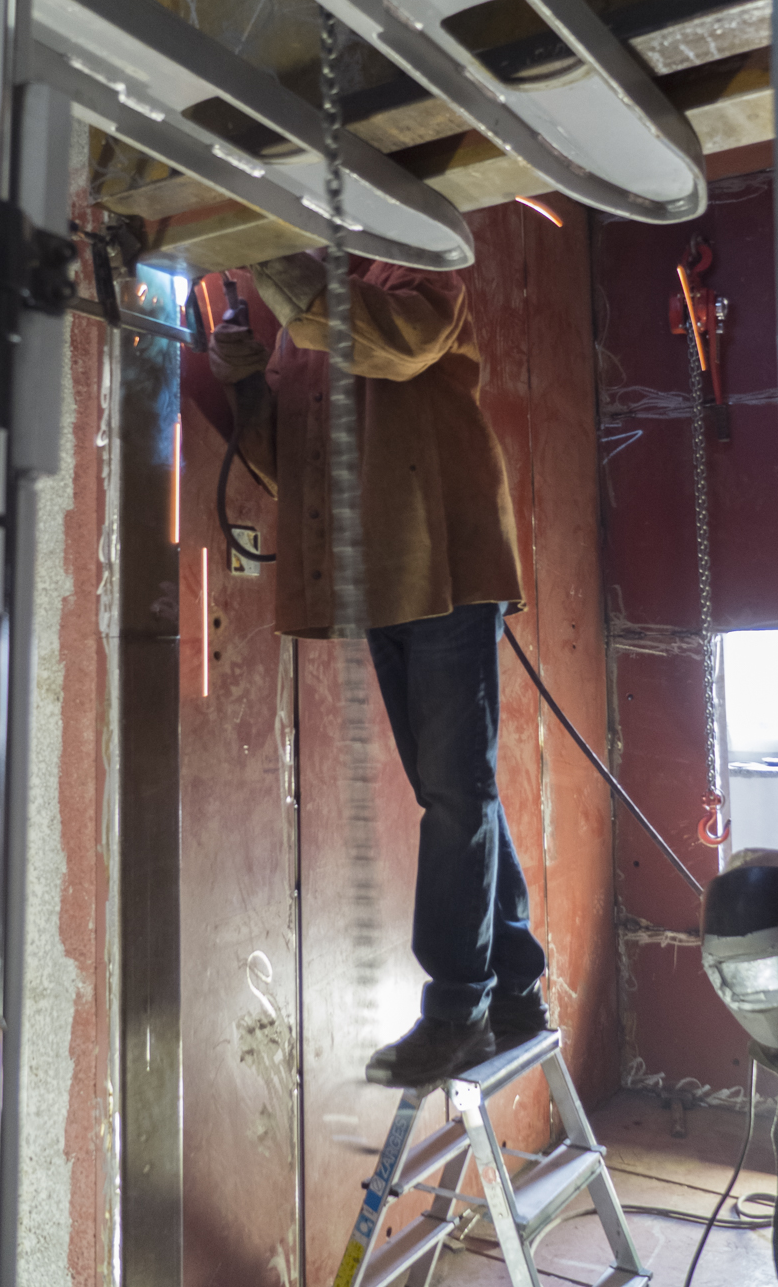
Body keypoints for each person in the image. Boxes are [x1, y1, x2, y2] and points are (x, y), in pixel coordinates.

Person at [208, 250, 549, 1088]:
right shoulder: (301, 335)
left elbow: (392, 346)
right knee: (456, 787)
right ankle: (514, 992)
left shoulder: (418, 272)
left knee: (456, 791)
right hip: (383, 579)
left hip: (447, 566)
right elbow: (288, 465)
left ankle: (458, 1010)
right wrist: (246, 377)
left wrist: (282, 274)